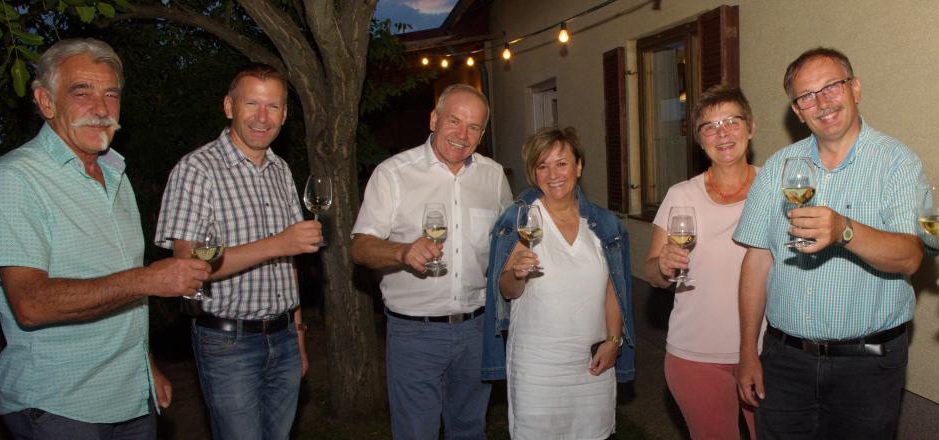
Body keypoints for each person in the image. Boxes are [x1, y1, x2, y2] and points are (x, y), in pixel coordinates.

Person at [0, 38, 210, 439]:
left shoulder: (116, 175)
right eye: (81, 93)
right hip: (57, 406)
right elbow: (29, 303)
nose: (101, 109)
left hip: (129, 398)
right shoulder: (14, 179)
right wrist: (150, 279)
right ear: (46, 102)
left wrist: (145, 365)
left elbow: (118, 286)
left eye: (111, 95)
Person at [732, 46, 926, 439]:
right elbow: (757, 261)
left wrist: (844, 231)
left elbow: (910, 257)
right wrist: (748, 351)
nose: (821, 103)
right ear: (798, 111)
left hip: (868, 365)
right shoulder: (777, 169)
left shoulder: (897, 162)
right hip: (785, 360)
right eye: (807, 96)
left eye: (831, 87)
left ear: (854, 88)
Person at [153, 63, 320, 440]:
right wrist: (277, 243)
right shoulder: (198, 169)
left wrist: (298, 334)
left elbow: (288, 262)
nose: (262, 117)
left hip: (283, 337)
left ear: (285, 115)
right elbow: (187, 263)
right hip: (228, 343)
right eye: (252, 104)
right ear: (229, 106)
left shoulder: (280, 170)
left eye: (273, 107)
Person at [351, 84, 511, 439]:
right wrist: (401, 252)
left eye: (473, 128)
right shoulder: (393, 173)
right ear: (434, 119)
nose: (462, 134)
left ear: (482, 134)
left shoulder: (493, 177)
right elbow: (360, 247)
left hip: (476, 330)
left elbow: (507, 247)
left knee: (470, 430)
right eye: (454, 121)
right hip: (414, 332)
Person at [481, 126, 635, 439]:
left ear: (578, 166)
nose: (553, 174)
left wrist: (613, 341)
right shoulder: (520, 221)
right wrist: (517, 275)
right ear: (532, 173)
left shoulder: (604, 225)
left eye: (561, 163)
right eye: (542, 165)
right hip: (537, 366)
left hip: (591, 363)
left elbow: (614, 289)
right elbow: (505, 290)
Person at [640, 84, 759, 440]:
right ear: (699, 140)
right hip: (694, 355)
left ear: (751, 128)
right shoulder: (682, 195)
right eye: (709, 126)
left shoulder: (775, 186)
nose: (722, 133)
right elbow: (651, 271)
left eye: (731, 121)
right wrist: (662, 265)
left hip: (766, 352)